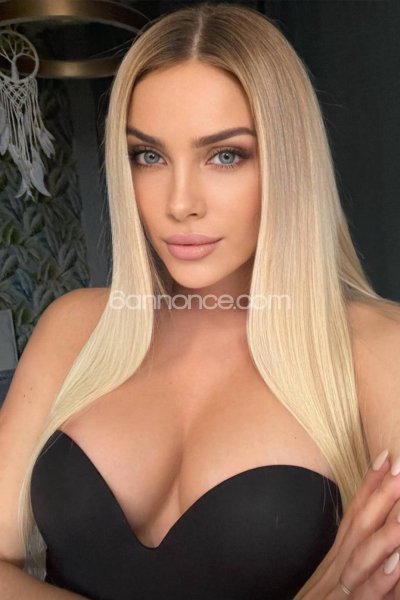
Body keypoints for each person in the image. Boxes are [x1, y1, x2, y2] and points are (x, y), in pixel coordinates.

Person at [1, 2, 400, 598]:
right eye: (150, 156)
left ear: (288, 162)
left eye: (225, 155)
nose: (179, 203)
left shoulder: (379, 349)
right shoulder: (75, 327)